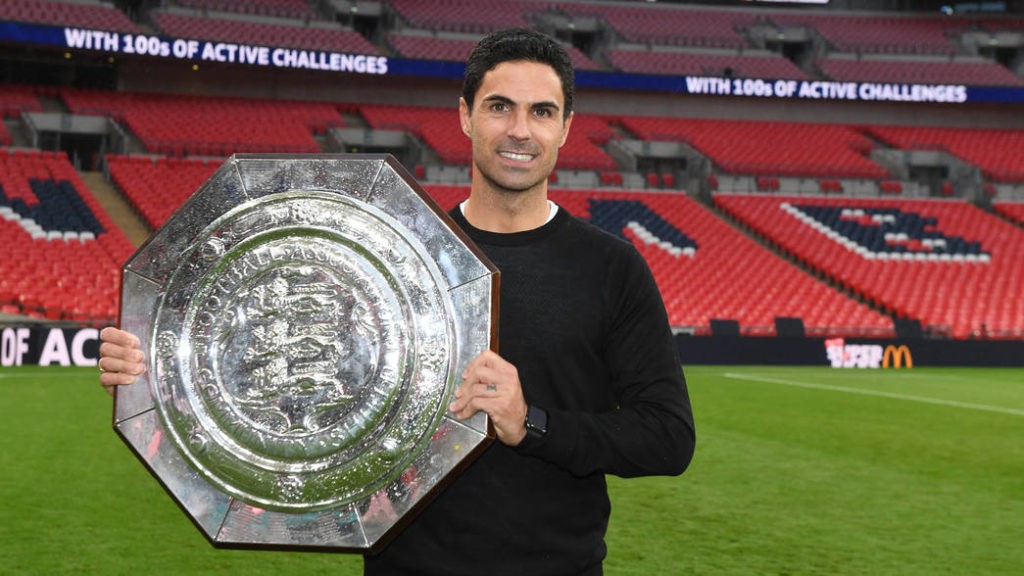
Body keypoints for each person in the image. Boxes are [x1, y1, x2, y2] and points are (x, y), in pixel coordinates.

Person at [99, 27, 695, 576]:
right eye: (499, 107)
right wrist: (155, 371)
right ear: (464, 116)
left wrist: (530, 422)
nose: (520, 130)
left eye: (542, 112)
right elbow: (279, 374)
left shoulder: (612, 267)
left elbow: (667, 438)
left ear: (566, 127)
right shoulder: (389, 252)